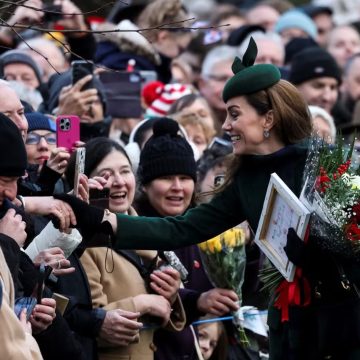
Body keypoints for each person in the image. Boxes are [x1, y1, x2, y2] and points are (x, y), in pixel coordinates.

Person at [55, 38, 360, 358]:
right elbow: (182, 228)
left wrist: (325, 257)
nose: (225, 125)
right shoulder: (246, 179)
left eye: (234, 114)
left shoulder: (325, 166)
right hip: (294, 329)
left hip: (343, 325)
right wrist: (102, 220)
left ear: (267, 118)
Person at [69, 137, 185, 360]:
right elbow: (85, 322)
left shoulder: (148, 231)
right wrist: (142, 304)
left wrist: (169, 296)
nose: (119, 182)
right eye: (106, 175)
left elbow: (163, 323)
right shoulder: (82, 242)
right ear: (84, 184)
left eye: (125, 171)